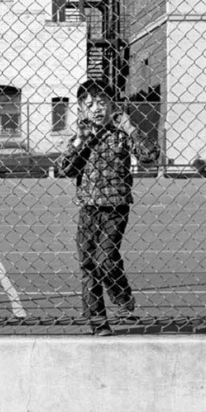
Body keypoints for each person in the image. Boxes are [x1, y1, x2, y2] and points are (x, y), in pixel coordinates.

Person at [56, 81, 159, 336]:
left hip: (116, 207)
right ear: (81, 109)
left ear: (112, 105)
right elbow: (64, 169)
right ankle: (98, 322)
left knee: (106, 258)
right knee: (88, 265)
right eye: (89, 105)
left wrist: (131, 128)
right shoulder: (81, 137)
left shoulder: (121, 133)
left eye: (102, 102)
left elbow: (150, 155)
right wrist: (80, 140)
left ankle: (122, 296)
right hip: (89, 209)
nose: (97, 109)